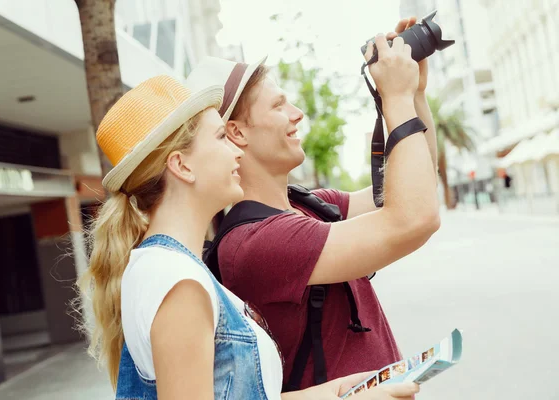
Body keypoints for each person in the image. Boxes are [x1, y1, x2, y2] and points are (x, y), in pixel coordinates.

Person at [77, 74, 421, 400]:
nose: (237, 152)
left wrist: (334, 393)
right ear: (182, 166)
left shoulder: (166, 268)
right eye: (220, 138)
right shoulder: (178, 282)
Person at [186, 17, 440, 390]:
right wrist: (396, 98)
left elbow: (418, 187)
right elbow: (414, 219)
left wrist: (413, 94)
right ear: (237, 133)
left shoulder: (309, 207)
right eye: (278, 106)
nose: (297, 114)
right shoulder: (255, 243)